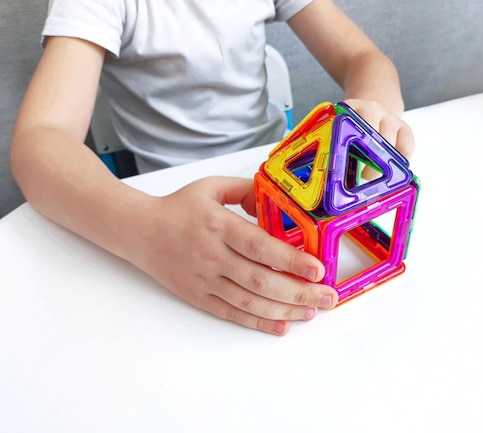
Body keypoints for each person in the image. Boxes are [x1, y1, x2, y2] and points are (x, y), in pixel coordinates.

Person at [10, 0, 415, 336]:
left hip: (281, 180)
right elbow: (40, 141)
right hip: (175, 206)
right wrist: (149, 230)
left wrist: (369, 116)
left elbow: (364, 59)